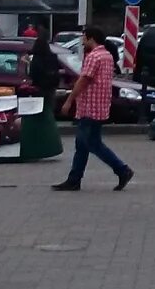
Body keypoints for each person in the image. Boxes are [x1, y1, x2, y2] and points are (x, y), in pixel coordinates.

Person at [54, 25, 134, 191]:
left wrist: (69, 100)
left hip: (89, 107)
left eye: (84, 38)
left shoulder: (93, 57)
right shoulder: (107, 56)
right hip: (100, 106)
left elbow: (84, 80)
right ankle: (74, 179)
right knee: (82, 145)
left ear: (91, 38)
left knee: (92, 144)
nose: (82, 41)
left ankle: (122, 170)